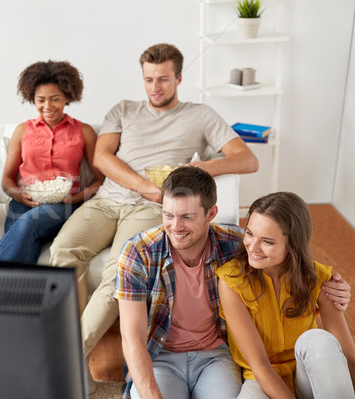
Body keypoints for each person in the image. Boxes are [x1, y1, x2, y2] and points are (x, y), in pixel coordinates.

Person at [49, 43, 259, 387]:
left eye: (163, 79)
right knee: (62, 252)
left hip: (151, 207)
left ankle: (70, 356)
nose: (155, 87)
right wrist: (143, 184)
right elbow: (102, 158)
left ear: (178, 78)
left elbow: (247, 159)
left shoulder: (201, 115)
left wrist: (202, 166)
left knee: (118, 268)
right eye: (148, 79)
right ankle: (70, 340)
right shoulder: (124, 110)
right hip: (109, 200)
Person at [114, 167, 351, 399]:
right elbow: (132, 336)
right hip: (161, 355)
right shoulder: (139, 252)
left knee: (315, 342)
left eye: (187, 217)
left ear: (211, 214)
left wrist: (334, 286)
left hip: (214, 356)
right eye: (168, 215)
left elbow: (287, 251)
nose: (175, 227)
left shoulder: (235, 242)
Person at [216, 192, 355, 398]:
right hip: (261, 378)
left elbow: (347, 354)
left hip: (306, 373)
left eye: (267, 242)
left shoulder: (320, 278)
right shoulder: (231, 281)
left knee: (318, 340)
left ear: (292, 245)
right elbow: (260, 366)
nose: (252, 247)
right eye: (250, 233)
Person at [0, 60, 103, 264]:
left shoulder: (83, 131)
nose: (47, 106)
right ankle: (19, 294)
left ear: (68, 97)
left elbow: (100, 181)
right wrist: (18, 195)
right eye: (40, 100)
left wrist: (75, 199)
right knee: (28, 245)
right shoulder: (23, 130)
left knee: (26, 224)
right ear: (32, 98)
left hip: (62, 206)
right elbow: (7, 180)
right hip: (22, 204)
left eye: (55, 99)